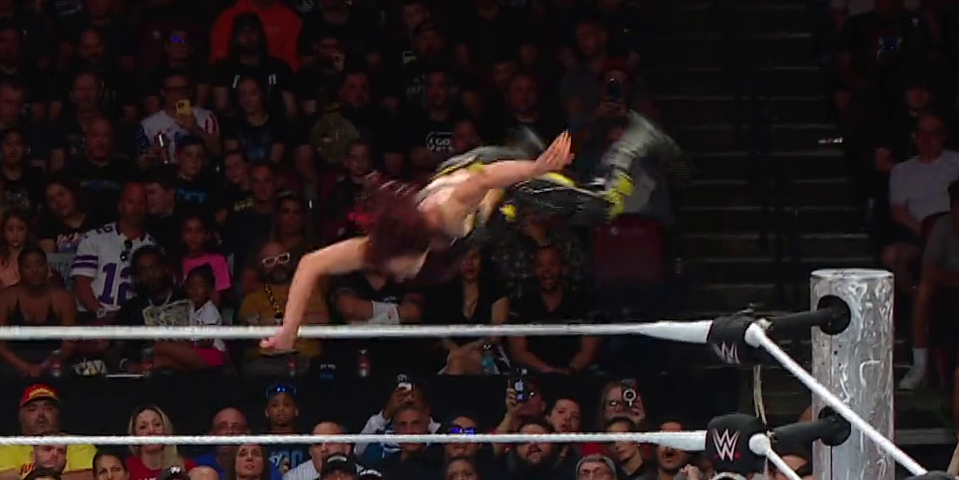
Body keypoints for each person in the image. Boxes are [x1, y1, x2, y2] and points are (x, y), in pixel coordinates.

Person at [262, 118, 673, 351]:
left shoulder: (444, 214)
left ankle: (633, 143)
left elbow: (484, 180)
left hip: (491, 174)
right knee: (500, 220)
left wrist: (535, 168)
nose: (393, 275)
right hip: (484, 203)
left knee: (602, 207)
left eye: (395, 266)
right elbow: (311, 264)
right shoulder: (376, 247)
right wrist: (288, 329)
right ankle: (524, 147)